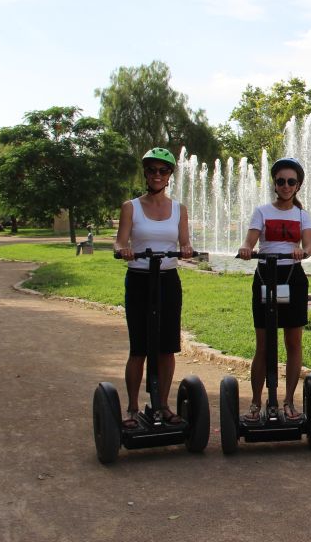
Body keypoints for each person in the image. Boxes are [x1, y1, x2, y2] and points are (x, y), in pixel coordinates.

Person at [113, 147, 194, 428]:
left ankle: (162, 404)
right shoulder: (130, 207)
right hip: (139, 279)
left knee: (167, 347)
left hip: (168, 280)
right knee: (139, 348)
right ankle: (133, 409)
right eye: (152, 170)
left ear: (170, 175)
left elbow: (184, 241)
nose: (157, 175)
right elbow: (120, 240)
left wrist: (186, 249)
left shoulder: (179, 209)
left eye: (163, 171)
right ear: (145, 173)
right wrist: (123, 250)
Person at [237, 157, 311, 423]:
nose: (285, 185)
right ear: (275, 183)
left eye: (291, 181)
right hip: (265, 275)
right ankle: (257, 404)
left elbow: (308, 246)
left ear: (298, 185)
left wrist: (301, 251)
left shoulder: (302, 214)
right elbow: (250, 239)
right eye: (281, 181)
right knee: (264, 344)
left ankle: (289, 402)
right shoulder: (261, 211)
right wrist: (246, 248)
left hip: (292, 276)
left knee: (293, 342)